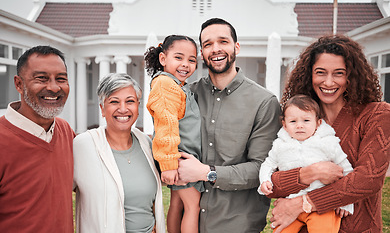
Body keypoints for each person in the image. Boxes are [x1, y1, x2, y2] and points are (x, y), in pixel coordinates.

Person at [268, 35, 390, 233]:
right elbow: (272, 183)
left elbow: (368, 179)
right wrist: (311, 173)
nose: (329, 81)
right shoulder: (298, 120)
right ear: (309, 75)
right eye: (320, 72)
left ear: (351, 76)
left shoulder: (377, 114)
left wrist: (302, 203)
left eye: (339, 73)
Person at [177, 18, 281, 232]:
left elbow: (261, 168)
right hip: (187, 224)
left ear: (236, 46)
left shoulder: (264, 102)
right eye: (207, 44)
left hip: (236, 225)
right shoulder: (186, 95)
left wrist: (208, 173)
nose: (216, 49)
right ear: (202, 53)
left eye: (223, 41)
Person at [73, 73, 165, 233]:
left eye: (130, 101)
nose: (123, 109)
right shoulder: (83, 145)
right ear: (102, 108)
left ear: (138, 106)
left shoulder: (146, 143)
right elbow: (58, 195)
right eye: (114, 102)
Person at [0, 45, 74, 232]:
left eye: (61, 79)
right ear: (19, 84)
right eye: (41, 78)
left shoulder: (65, 131)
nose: (54, 87)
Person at [258, 94, 354, 233]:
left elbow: (347, 171)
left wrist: (346, 202)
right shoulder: (280, 145)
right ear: (284, 125)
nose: (299, 126)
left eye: (306, 120)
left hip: (321, 206)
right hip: (290, 204)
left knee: (323, 230)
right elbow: (268, 164)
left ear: (318, 123)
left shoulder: (327, 143)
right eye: (293, 121)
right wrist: (265, 180)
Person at [145, 35, 204, 233]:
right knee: (193, 206)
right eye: (178, 58)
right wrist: (169, 166)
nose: (185, 64)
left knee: (178, 204)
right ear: (163, 59)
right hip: (180, 158)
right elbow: (166, 124)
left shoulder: (177, 85)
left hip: (180, 156)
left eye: (191, 59)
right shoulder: (165, 85)